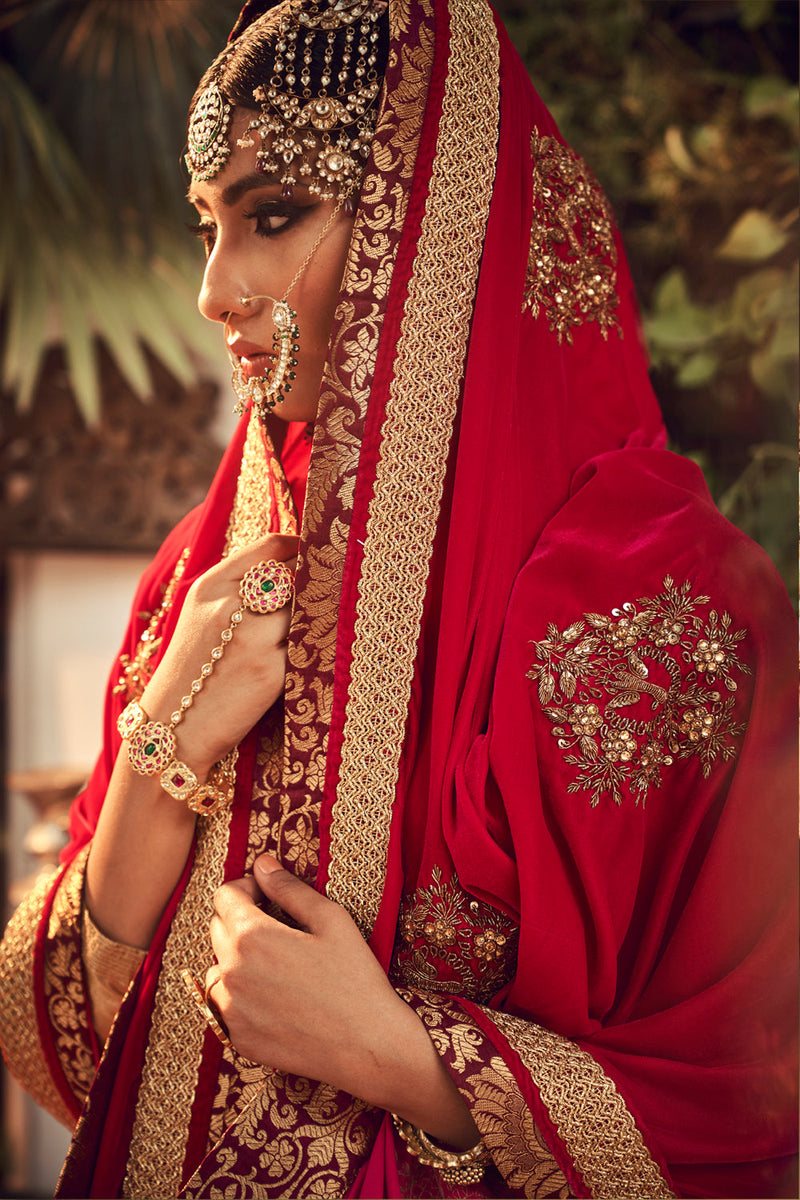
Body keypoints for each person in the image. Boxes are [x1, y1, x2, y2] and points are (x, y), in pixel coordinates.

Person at [0, 0, 796, 1196]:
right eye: (208, 226)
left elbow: (753, 1107)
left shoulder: (666, 606)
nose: (216, 289)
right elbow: (57, 1046)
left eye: (272, 217)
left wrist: (404, 1063)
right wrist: (163, 755)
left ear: (435, 226)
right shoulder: (205, 575)